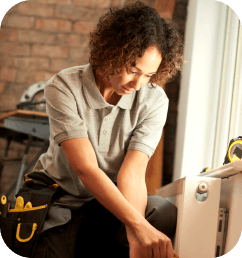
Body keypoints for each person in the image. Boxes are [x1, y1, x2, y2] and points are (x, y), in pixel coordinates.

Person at [13, 1, 183, 258]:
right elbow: (86, 170)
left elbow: (133, 174)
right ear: (113, 52)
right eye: (132, 69)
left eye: (149, 75)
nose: (138, 84)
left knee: (162, 212)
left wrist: (134, 235)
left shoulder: (154, 100)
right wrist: (138, 227)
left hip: (107, 200)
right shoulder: (63, 86)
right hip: (61, 196)